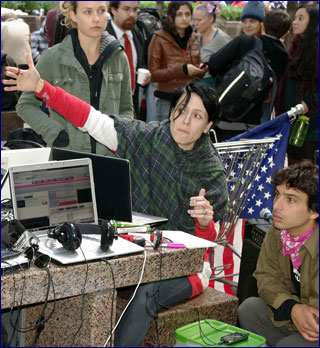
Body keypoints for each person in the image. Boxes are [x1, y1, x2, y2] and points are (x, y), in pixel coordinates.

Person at [4, 53, 228, 233]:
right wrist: (42, 88)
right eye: (181, 110)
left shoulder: (211, 172)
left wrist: (205, 223)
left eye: (197, 116)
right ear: (171, 113)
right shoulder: (144, 137)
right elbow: (90, 119)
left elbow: (209, 240)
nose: (186, 121)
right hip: (137, 248)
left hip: (184, 263)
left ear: (209, 125)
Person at [16, 1, 134, 156]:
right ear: (73, 15)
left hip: (112, 159)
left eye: (101, 11)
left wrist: (119, 135)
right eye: (87, 12)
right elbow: (25, 105)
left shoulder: (119, 58)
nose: (96, 18)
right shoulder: (53, 58)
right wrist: (55, 133)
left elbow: (126, 109)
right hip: (69, 158)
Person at [238, 160, 319, 347]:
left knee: (289, 344)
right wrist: (292, 309)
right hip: (297, 316)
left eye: (291, 199)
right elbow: (265, 277)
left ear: (314, 211)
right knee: (250, 310)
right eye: (277, 195)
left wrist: (301, 314)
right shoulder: (278, 231)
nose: (277, 206)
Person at [208, 9, 291, 141]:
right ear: (286, 33)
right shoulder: (284, 57)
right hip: (254, 120)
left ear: (262, 25)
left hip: (225, 114)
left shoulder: (245, 42)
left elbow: (213, 64)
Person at [148, 1, 206, 122]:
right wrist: (182, 69)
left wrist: (201, 70)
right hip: (166, 98)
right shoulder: (159, 37)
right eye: (179, 14)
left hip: (188, 96)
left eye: (187, 14)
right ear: (171, 16)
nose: (184, 18)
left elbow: (194, 71)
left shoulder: (194, 37)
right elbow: (153, 74)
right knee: (164, 136)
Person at [276, 4, 319, 165]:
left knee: (307, 170)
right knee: (293, 166)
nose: (295, 22)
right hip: (291, 119)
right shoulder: (295, 47)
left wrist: (309, 103)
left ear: (313, 22)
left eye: (301, 19)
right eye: (295, 18)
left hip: (312, 124)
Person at [106, 1, 151, 120]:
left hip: (131, 104)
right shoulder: (102, 35)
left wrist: (145, 75)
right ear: (114, 10)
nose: (132, 14)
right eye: (126, 9)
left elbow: (141, 62)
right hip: (107, 107)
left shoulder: (137, 33)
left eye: (135, 10)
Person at [193, 2, 232, 85]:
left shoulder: (223, 39)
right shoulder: (196, 37)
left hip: (213, 85)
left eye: (199, 20)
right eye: (194, 20)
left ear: (211, 19)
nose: (195, 23)